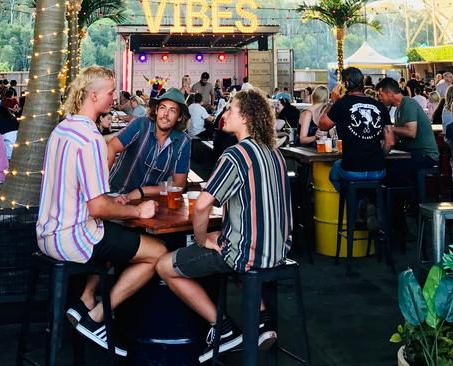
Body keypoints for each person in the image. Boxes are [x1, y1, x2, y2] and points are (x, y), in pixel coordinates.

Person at [36, 66, 167, 356]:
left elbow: (85, 195)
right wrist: (138, 211)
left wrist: (114, 202)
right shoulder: (91, 138)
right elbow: (97, 207)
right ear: (94, 95)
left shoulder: (62, 129)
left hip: (46, 233)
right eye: (110, 93)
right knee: (157, 253)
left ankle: (85, 301)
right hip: (72, 237)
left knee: (118, 236)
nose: (114, 98)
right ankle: (96, 320)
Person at [155, 88, 292, 362]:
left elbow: (204, 204)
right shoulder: (274, 153)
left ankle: (222, 326)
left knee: (164, 266)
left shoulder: (236, 154)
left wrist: (202, 238)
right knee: (231, 241)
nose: (224, 114)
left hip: (248, 255)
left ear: (246, 117)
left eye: (230, 109)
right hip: (279, 252)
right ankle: (262, 319)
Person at [319, 67, 395, 230]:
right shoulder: (379, 106)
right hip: (378, 169)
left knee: (335, 172)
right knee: (365, 181)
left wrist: (333, 101)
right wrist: (378, 156)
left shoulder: (341, 105)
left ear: (345, 84)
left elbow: (323, 125)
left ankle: (361, 205)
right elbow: (390, 142)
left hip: (352, 167)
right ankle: (367, 204)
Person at [108, 87, 192, 198]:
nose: (166, 113)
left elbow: (179, 185)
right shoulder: (141, 125)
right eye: (163, 108)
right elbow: (111, 147)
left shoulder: (183, 141)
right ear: (156, 110)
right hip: (116, 193)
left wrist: (142, 191)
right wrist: (101, 188)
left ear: (179, 117)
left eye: (172, 110)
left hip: (148, 202)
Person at [376, 77, 439, 188]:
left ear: (390, 94)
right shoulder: (397, 109)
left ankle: (404, 201)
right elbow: (394, 139)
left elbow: (411, 131)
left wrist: (390, 129)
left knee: (394, 168)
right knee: (386, 164)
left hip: (425, 154)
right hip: (412, 153)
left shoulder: (408, 103)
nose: (380, 98)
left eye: (381, 95)